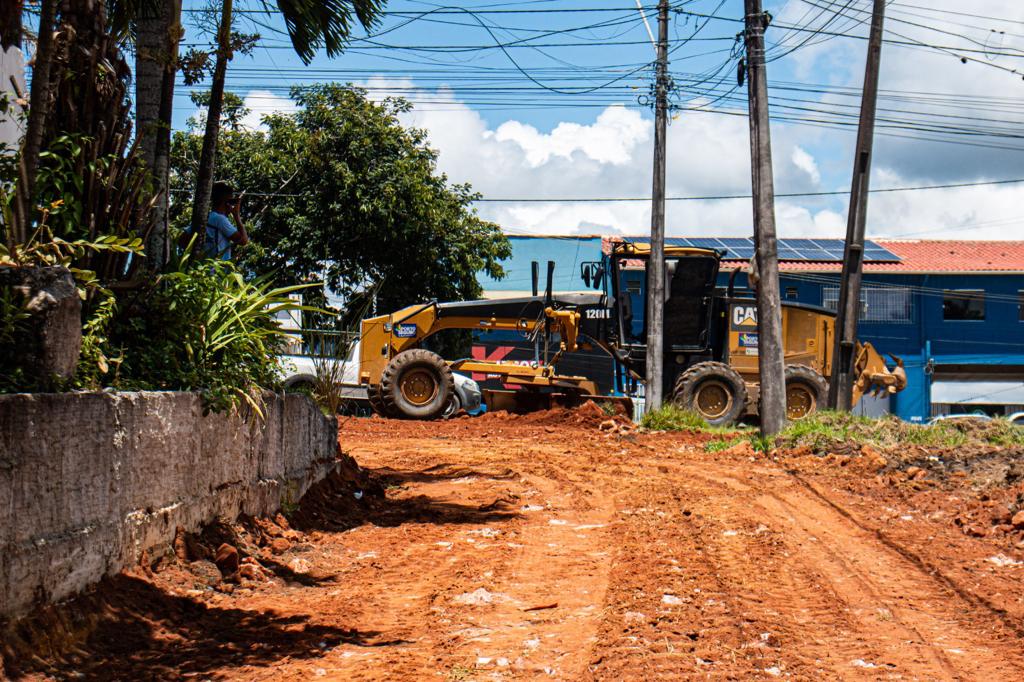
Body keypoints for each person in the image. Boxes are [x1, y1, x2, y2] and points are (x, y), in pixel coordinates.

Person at [203, 181, 249, 260]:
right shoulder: (220, 220)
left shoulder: (205, 217)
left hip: (203, 266)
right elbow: (243, 241)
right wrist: (237, 216)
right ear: (227, 202)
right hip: (216, 268)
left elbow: (182, 240)